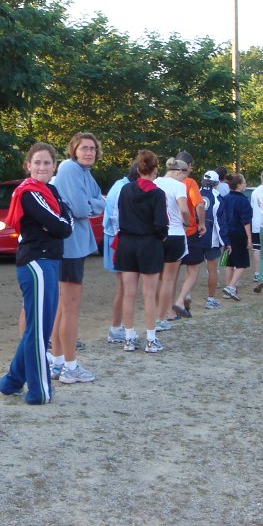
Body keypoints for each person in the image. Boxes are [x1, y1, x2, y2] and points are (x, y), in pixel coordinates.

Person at [0, 143, 73, 404]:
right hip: (36, 264)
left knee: (38, 327)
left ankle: (11, 382)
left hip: (49, 261)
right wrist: (59, 223)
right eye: (37, 162)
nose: (42, 167)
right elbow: (58, 224)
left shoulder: (50, 190)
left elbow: (66, 222)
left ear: (54, 166)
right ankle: (39, 391)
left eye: (47, 163)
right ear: (28, 165)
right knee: (40, 330)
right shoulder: (28, 193)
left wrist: (59, 223)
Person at [49, 133, 104, 384]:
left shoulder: (85, 172)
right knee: (69, 308)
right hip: (69, 246)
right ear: (74, 149)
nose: (89, 152)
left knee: (64, 307)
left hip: (76, 245)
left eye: (92, 148)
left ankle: (58, 361)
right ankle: (70, 366)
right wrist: (93, 204)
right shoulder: (70, 168)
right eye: (84, 148)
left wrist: (92, 203)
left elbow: (99, 202)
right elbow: (84, 208)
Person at [114, 150, 167, 353]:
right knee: (149, 294)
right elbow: (161, 223)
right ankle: (151, 339)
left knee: (128, 293)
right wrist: (161, 237)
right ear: (154, 169)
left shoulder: (125, 190)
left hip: (126, 243)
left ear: (138, 168)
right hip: (149, 243)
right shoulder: (157, 193)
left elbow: (119, 215)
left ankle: (128, 338)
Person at [153, 157, 190, 330]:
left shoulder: (155, 182)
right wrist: (188, 221)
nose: (185, 179)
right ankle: (162, 317)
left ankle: (153, 316)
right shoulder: (178, 186)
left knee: (156, 278)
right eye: (185, 175)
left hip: (157, 234)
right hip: (175, 234)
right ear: (179, 171)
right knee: (168, 279)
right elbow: (183, 209)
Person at [171, 151, 206, 319]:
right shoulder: (189, 182)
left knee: (171, 273)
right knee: (193, 270)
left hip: (170, 232)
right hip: (189, 231)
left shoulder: (164, 181)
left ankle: (167, 309)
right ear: (189, 166)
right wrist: (202, 223)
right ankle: (181, 298)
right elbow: (199, 204)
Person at [102, 168, 132, 344]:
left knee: (124, 286)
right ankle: (116, 328)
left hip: (114, 237)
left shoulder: (119, 184)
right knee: (124, 286)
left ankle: (118, 328)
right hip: (117, 238)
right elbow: (115, 218)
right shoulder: (124, 188)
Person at [218, 173, 253, 301]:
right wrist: (249, 238)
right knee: (242, 263)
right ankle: (231, 287)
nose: (245, 185)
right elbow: (246, 221)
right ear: (239, 185)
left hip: (226, 234)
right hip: (238, 234)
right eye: (244, 183)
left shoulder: (225, 198)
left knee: (229, 262)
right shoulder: (243, 201)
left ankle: (228, 288)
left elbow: (220, 215)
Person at [198, 171, 225, 308]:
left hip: (195, 236)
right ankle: (210, 299)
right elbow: (219, 223)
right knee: (212, 269)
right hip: (211, 238)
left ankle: (185, 297)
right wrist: (225, 241)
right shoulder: (217, 197)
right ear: (217, 183)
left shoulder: (195, 193)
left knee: (192, 269)